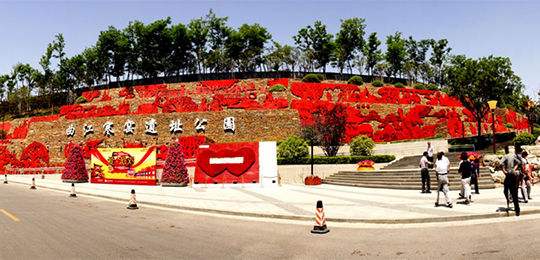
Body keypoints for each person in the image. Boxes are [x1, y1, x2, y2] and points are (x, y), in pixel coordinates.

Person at [500, 146, 522, 216]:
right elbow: (519, 162)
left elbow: (501, 164)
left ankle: (508, 198)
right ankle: (517, 210)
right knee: (514, 193)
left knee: (505, 190)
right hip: (514, 175)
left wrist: (504, 171)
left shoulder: (505, 156)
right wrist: (515, 168)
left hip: (508, 174)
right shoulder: (515, 155)